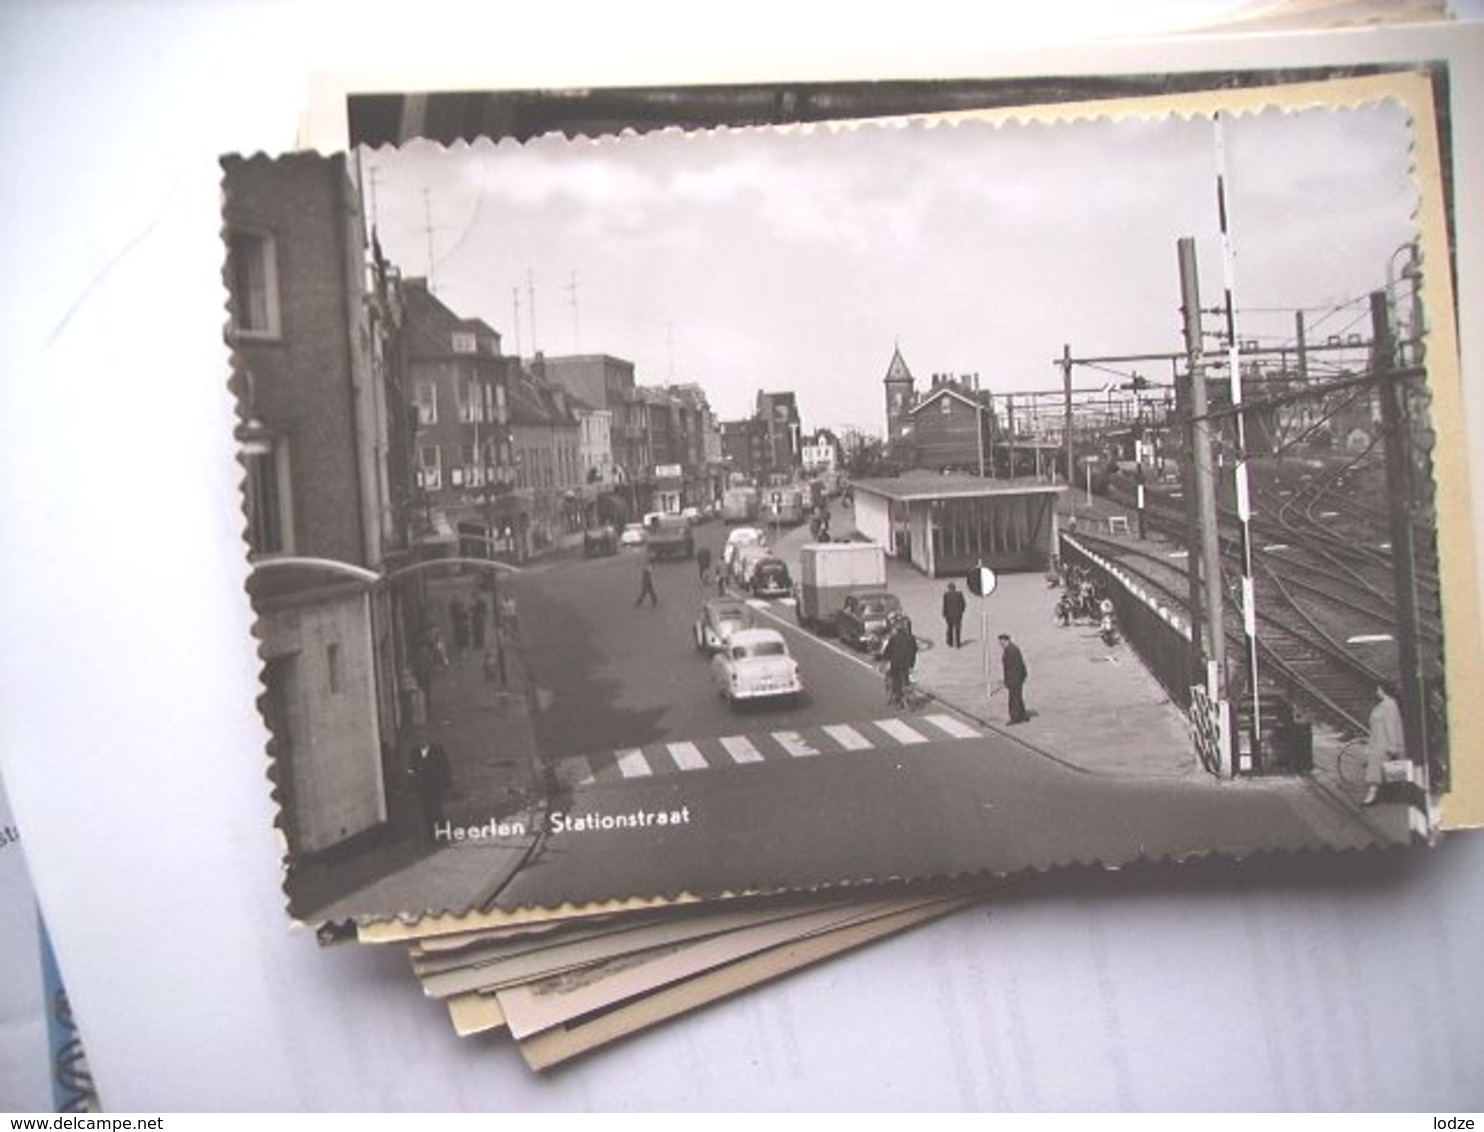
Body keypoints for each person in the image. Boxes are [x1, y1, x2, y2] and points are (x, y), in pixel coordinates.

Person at [1362, 683, 1404, 806]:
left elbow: (1391, 726)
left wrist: (1393, 745)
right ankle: (1391, 794)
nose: (1376, 691)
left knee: (1377, 772)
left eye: (1378, 689)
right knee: (1384, 771)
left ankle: (1372, 797)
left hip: (1384, 743)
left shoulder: (1390, 705)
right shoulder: (1383, 705)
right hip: (1377, 742)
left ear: (1384, 690)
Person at [407, 739, 452, 841]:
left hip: (435, 787)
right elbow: (411, 768)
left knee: (436, 810)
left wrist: (446, 784)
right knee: (426, 811)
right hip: (422, 788)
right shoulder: (415, 752)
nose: (421, 742)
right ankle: (430, 835)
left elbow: (444, 767)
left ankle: (442, 833)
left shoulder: (437, 751)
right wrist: (412, 779)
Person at [882, 615, 919, 707]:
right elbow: (915, 649)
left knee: (896, 678)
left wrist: (885, 658)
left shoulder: (894, 638)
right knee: (905, 677)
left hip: (896, 663)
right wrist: (912, 662)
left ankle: (899, 697)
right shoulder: (911, 638)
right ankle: (907, 691)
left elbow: (888, 650)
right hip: (907, 663)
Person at [997, 632, 1030, 724]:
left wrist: (1007, 681)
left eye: (1001, 642)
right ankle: (1022, 715)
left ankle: (1015, 717)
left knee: (1013, 699)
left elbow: (1010, 668)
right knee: (1018, 697)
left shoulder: (1010, 650)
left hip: (1014, 678)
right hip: (1018, 677)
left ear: (1005, 640)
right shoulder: (1013, 649)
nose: (1000, 644)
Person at [942, 581, 967, 648]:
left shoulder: (946, 595)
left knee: (950, 628)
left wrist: (944, 614)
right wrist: (961, 611)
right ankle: (958, 643)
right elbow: (963, 604)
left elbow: (945, 605)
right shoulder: (959, 594)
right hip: (957, 615)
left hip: (949, 615)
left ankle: (950, 642)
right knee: (957, 629)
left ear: (949, 588)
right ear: (954, 588)